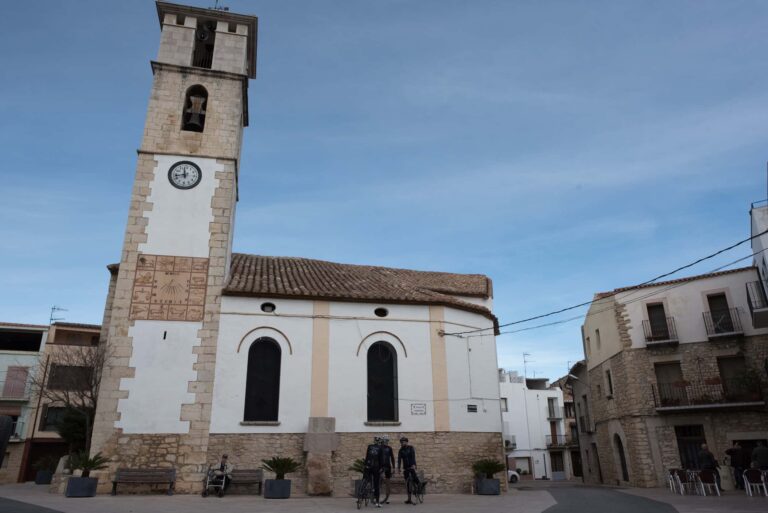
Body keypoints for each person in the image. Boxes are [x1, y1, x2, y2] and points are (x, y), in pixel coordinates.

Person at [364, 436, 385, 508]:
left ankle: (363, 491)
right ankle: (377, 502)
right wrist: (382, 468)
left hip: (369, 466)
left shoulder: (369, 446)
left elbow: (367, 456)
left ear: (374, 441)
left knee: (365, 478)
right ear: (379, 442)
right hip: (376, 467)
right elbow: (381, 459)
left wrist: (366, 465)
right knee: (376, 485)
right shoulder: (381, 448)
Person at [397, 437, 419, 505]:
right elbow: (399, 460)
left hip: (411, 466)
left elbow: (413, 456)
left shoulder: (411, 448)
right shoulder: (400, 450)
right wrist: (399, 468)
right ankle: (409, 499)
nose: (403, 443)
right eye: (402, 442)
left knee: (415, 479)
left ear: (406, 442)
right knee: (407, 484)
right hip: (405, 468)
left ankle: (419, 487)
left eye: (404, 442)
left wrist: (414, 464)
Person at [379, 435, 395, 504]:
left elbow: (392, 458)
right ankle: (377, 497)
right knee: (379, 482)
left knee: (388, 483)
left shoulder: (389, 448)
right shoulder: (379, 447)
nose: (386, 442)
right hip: (381, 467)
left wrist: (394, 467)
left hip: (388, 467)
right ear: (382, 441)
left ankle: (387, 498)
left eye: (387, 440)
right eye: (385, 440)